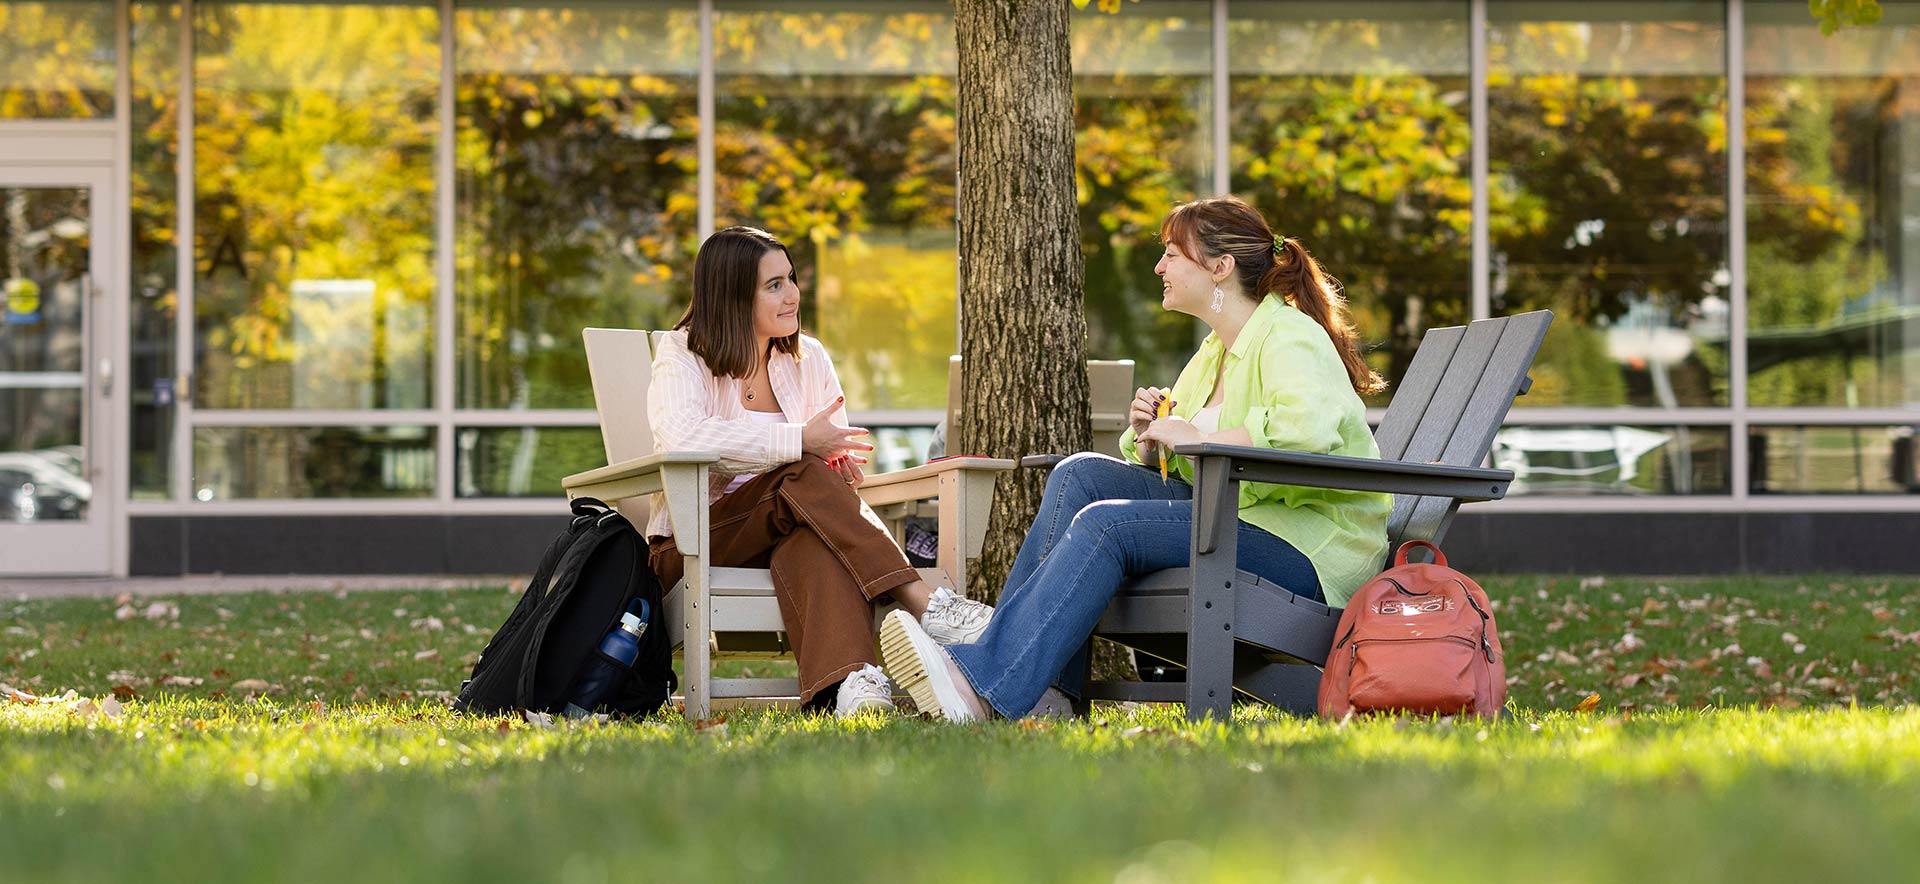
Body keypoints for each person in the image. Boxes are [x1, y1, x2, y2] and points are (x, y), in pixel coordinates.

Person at [879, 196, 1392, 721]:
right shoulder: (1216, 350)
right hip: (1238, 515)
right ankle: (1043, 693)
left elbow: (1304, 434)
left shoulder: (1290, 336)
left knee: (1108, 526)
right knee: (1079, 474)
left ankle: (983, 685)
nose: (1159, 267)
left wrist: (1193, 435)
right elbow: (1188, 446)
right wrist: (1148, 437)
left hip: (1307, 546)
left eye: (1172, 254)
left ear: (1220, 267)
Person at [644, 226, 992, 718]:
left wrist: (837, 471)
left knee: (814, 530)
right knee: (799, 469)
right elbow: (683, 440)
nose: (792, 296)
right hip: (696, 540)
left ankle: (850, 690)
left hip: (789, 532)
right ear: (732, 295)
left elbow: (828, 453)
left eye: (791, 279)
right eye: (774, 286)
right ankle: (924, 602)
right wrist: (803, 443)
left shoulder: (809, 359)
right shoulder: (682, 355)